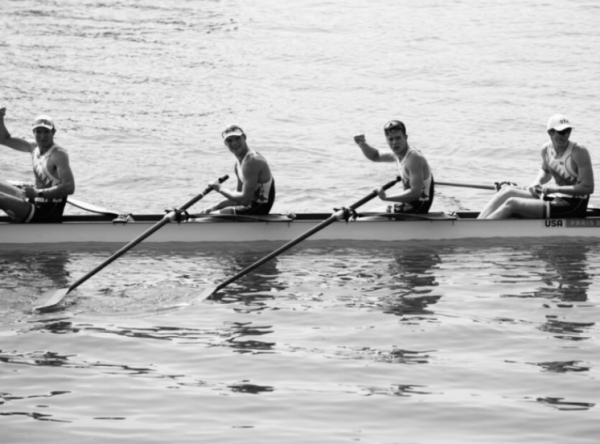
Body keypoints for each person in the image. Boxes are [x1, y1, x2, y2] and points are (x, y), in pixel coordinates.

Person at [478, 114, 594, 219]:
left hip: (573, 205)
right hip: (556, 198)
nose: (566, 135)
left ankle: (477, 232)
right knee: (506, 191)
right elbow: (546, 172)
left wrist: (553, 189)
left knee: (512, 203)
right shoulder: (546, 149)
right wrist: (536, 182)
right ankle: (477, 224)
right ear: (550, 132)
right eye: (562, 132)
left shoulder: (579, 152)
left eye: (568, 131)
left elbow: (588, 187)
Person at [0, 107, 75, 223]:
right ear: (33, 132)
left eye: (46, 132)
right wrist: (0, 117)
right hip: (33, 203)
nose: (42, 136)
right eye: (38, 132)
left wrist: (37, 192)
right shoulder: (33, 147)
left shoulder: (59, 155)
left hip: (46, 213)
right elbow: (4, 139)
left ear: (53, 132)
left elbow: (69, 187)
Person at [353, 119, 434, 214]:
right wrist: (361, 144)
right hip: (408, 205)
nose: (394, 142)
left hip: (418, 208)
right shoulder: (396, 154)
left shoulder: (414, 158)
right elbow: (375, 156)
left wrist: (386, 197)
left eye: (398, 138)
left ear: (406, 137)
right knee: (365, 214)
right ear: (386, 140)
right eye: (390, 139)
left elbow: (416, 193)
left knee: (364, 215)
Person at [200, 125, 275, 215]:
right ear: (225, 143)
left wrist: (220, 188)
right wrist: (215, 206)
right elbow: (238, 196)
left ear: (244, 137)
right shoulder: (238, 164)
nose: (234, 143)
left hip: (259, 209)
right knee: (208, 212)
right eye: (229, 140)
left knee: (210, 216)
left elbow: (244, 200)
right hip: (249, 207)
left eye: (237, 138)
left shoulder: (252, 161)